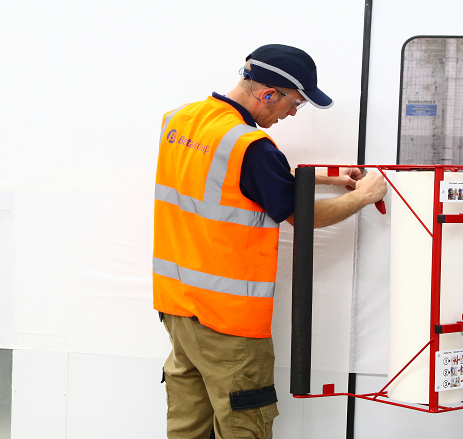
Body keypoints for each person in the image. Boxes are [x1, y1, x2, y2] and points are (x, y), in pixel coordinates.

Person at [153, 44, 387, 439]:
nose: (292, 113)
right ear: (268, 94)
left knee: (187, 428)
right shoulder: (252, 147)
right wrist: (364, 196)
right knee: (246, 426)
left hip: (179, 309)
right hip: (229, 324)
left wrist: (325, 179)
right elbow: (302, 216)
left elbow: (230, 184)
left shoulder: (180, 120)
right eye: (294, 103)